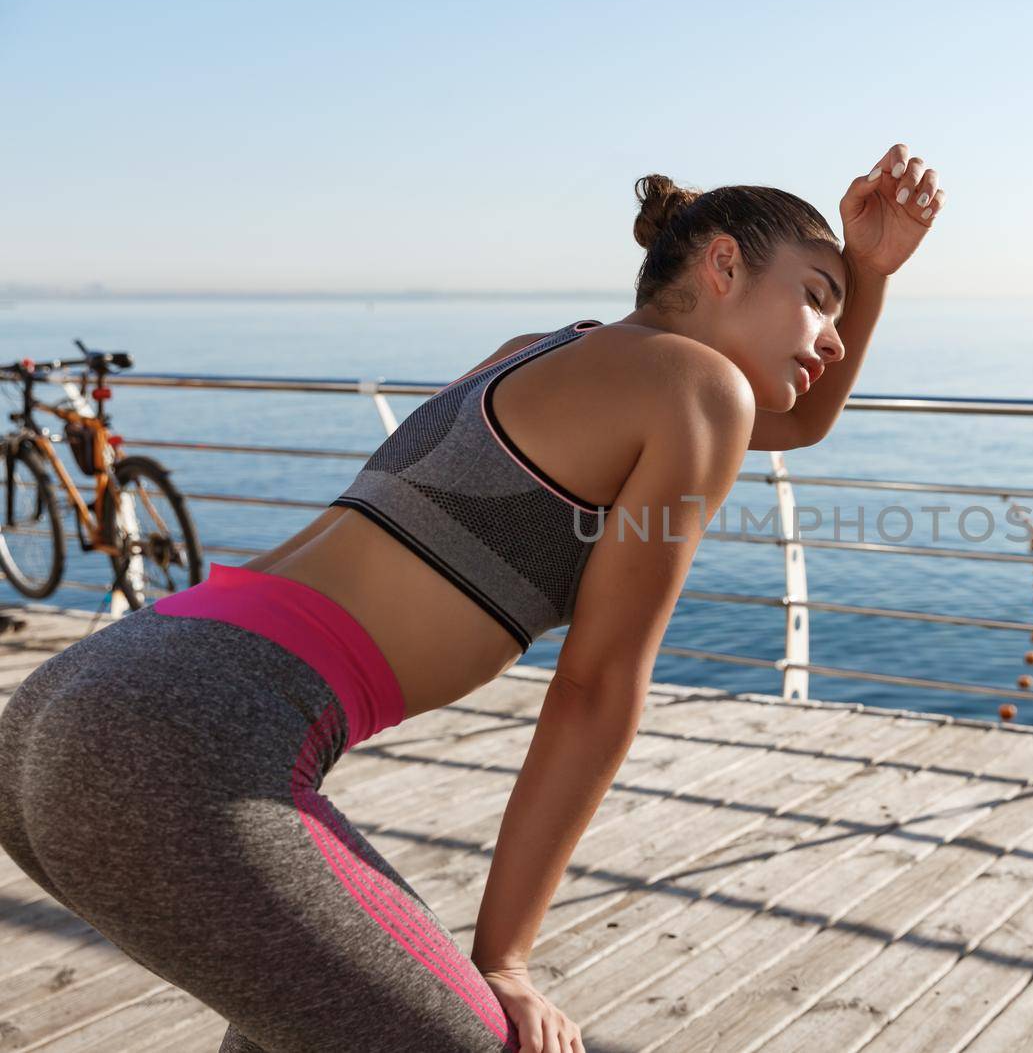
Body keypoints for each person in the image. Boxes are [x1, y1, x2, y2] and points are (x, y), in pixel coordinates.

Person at [0, 143, 943, 1052]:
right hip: (185, 739)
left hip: (81, 696)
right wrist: (508, 960)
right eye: (817, 301)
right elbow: (596, 687)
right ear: (725, 264)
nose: (830, 336)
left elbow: (802, 416)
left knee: (308, 1021)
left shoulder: (541, 350)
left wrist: (867, 270)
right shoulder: (699, 389)